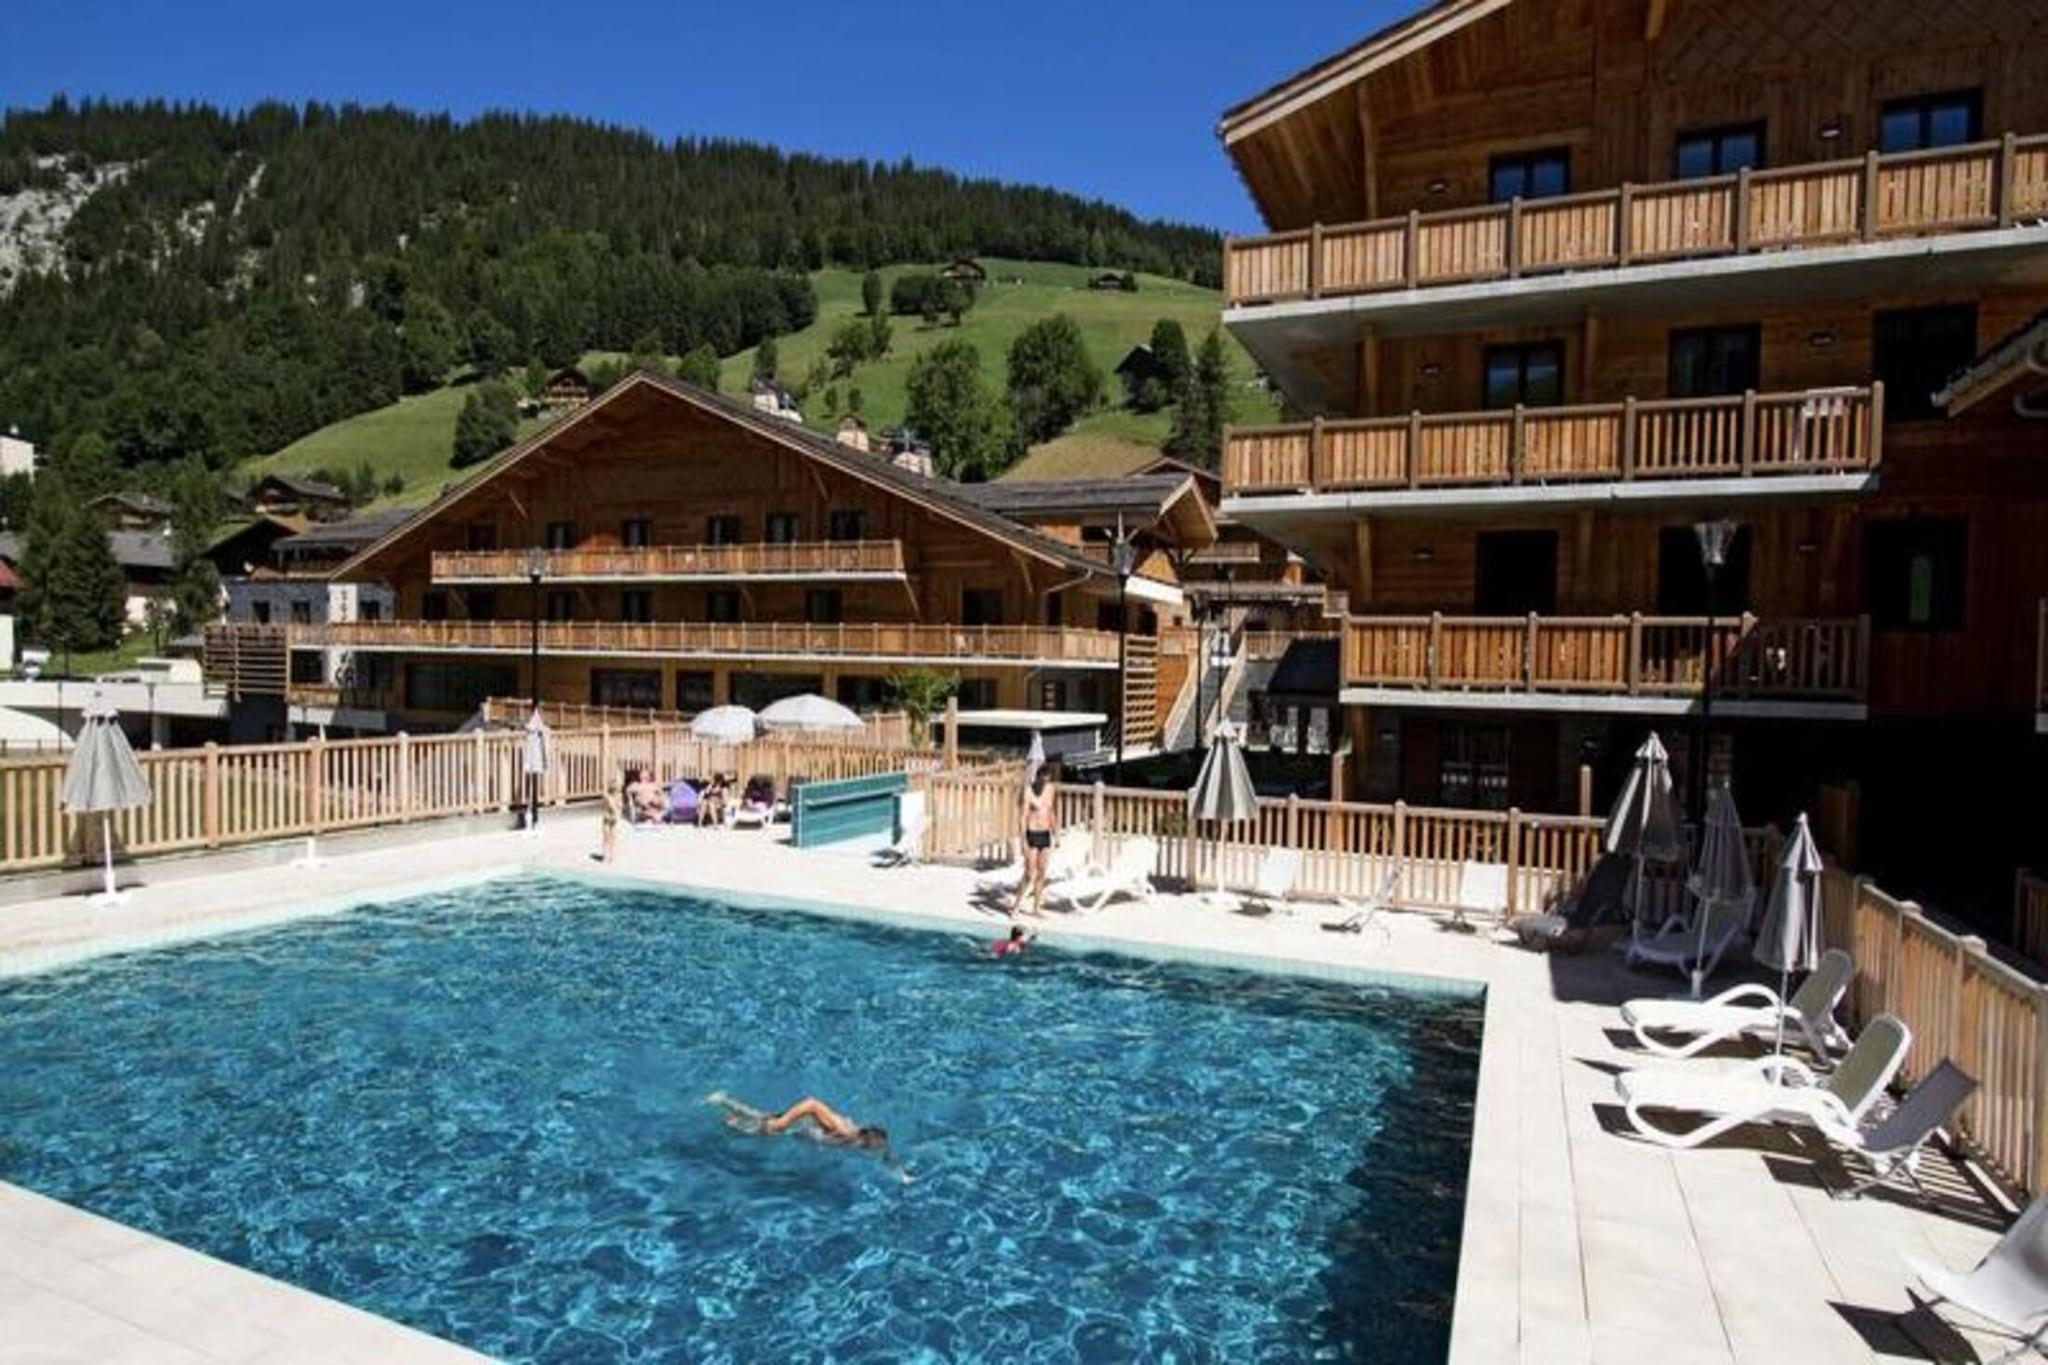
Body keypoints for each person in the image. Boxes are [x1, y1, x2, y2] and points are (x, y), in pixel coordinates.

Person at [707, 1092, 908, 1180]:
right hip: (793, 1125)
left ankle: (723, 1100)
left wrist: (902, 1175)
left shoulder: (863, 1140)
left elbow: (886, 1151)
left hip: (797, 1129)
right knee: (746, 1127)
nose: (876, 1151)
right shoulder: (844, 1131)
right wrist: (782, 1123)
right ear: (867, 1141)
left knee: (756, 1117)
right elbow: (812, 1104)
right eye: (875, 1147)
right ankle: (720, 1108)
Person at [1011, 767, 1059, 918]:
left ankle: (1036, 908)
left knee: (1042, 872)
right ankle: (1016, 906)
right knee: (1029, 873)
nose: (1044, 784)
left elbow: (1051, 812)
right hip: (1032, 834)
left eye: (1046, 781)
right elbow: (1023, 817)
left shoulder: (1050, 789)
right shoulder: (1028, 791)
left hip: (1045, 834)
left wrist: (1056, 833)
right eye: (1042, 781)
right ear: (1037, 777)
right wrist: (1023, 841)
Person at [597, 775, 622, 862]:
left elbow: (619, 806)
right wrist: (617, 811)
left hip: (613, 817)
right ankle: (605, 854)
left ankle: (611, 855)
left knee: (612, 838)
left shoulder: (619, 796)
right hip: (607, 817)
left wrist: (618, 813)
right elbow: (611, 805)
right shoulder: (607, 795)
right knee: (606, 837)